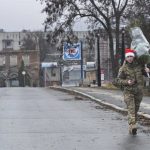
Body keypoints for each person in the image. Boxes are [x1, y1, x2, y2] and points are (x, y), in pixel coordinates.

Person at [116, 48, 150, 135]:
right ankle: (133, 125)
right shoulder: (123, 68)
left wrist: (147, 71)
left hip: (139, 91)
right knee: (131, 108)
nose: (130, 58)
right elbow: (117, 81)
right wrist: (127, 82)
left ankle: (131, 126)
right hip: (128, 92)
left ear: (133, 57)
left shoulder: (139, 65)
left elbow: (146, 74)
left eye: (131, 56)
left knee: (136, 109)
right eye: (128, 57)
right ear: (126, 58)